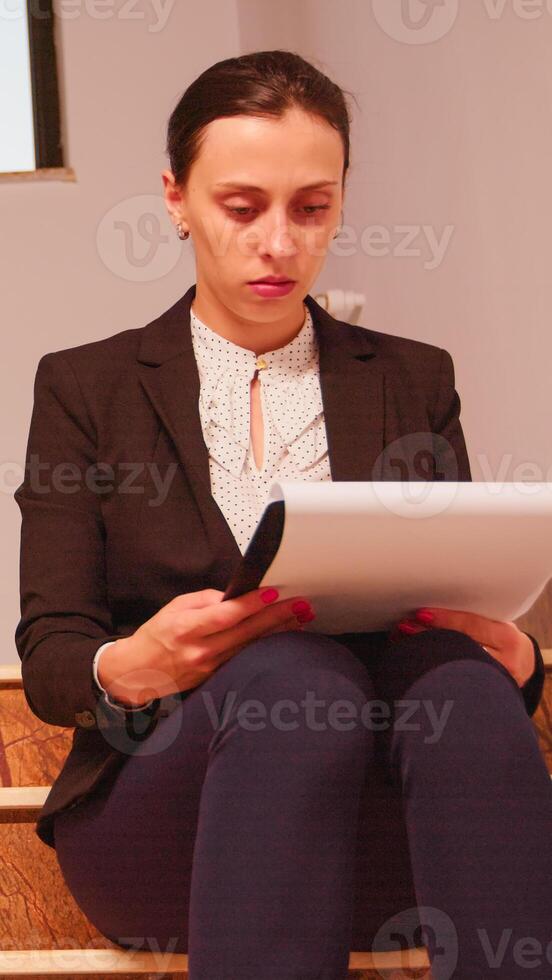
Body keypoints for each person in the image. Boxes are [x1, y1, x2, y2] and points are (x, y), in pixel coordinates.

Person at [14, 50, 551, 980]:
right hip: (164, 825)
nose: (280, 243)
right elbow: (53, 650)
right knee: (293, 674)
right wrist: (128, 666)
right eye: (241, 207)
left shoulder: (413, 376)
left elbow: (450, 608)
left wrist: (518, 657)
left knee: (464, 685)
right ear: (176, 199)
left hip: (384, 833)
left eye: (312, 208)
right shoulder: (86, 388)